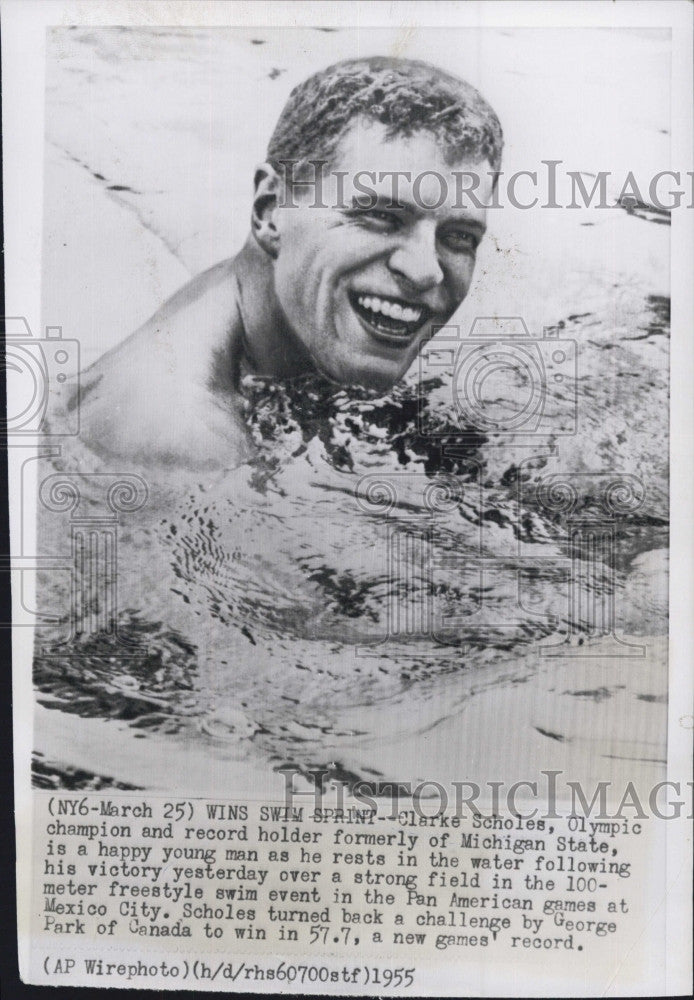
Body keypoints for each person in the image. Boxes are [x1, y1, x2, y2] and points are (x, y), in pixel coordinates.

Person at [68, 56, 502, 474]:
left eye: (459, 237)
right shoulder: (184, 441)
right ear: (270, 210)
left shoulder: (272, 316)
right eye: (382, 217)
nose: (426, 270)